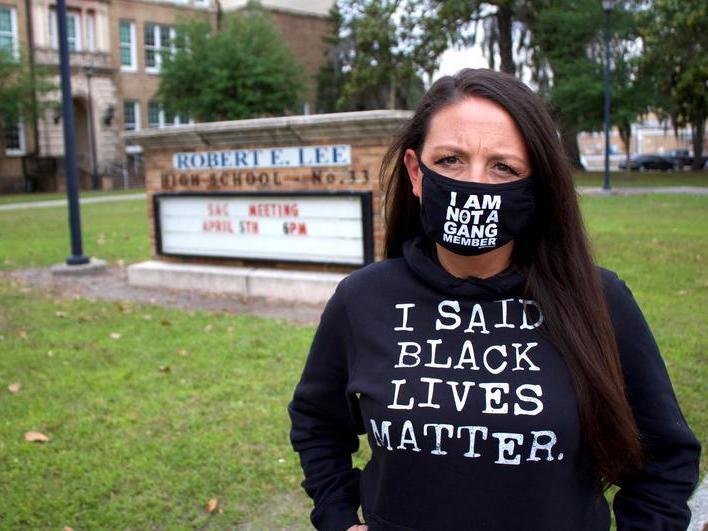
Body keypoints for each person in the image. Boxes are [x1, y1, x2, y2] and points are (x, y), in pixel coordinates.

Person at [287, 68, 701, 531]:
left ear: (535, 186)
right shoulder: (362, 299)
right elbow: (316, 422)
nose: (474, 185)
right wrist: (338, 517)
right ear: (415, 173)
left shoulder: (600, 301)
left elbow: (666, 457)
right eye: (449, 161)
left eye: (503, 167)